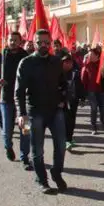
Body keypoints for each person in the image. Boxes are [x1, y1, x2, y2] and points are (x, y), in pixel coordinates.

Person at [15, 29, 68, 194]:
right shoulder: (25, 63)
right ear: (33, 43)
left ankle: (56, 172)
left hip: (55, 111)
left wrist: (63, 100)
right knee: (37, 149)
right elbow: (19, 92)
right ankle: (42, 180)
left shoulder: (56, 61)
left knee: (61, 145)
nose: (43, 45)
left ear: (50, 43)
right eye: (40, 42)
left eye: (46, 42)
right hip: (34, 112)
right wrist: (21, 113)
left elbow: (64, 84)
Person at [0, 32, 30, 167]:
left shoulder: (26, 57)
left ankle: (25, 157)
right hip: (6, 99)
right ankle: (8, 146)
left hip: (23, 99)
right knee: (7, 129)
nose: (13, 42)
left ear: (20, 42)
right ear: (7, 41)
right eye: (11, 40)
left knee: (25, 129)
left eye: (16, 40)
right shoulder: (0, 56)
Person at [80, 48, 104, 135]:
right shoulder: (87, 65)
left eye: (91, 54)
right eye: (89, 54)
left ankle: (102, 120)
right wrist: (83, 94)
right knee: (94, 108)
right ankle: (93, 126)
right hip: (91, 91)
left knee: (102, 108)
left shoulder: (103, 64)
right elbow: (84, 79)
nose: (89, 56)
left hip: (101, 90)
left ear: (97, 56)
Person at [62, 54, 84, 151]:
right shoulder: (57, 73)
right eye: (65, 62)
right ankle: (65, 139)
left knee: (71, 120)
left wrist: (82, 98)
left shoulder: (75, 73)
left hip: (73, 100)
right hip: (61, 101)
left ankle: (69, 138)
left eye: (69, 62)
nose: (68, 64)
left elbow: (80, 86)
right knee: (64, 120)